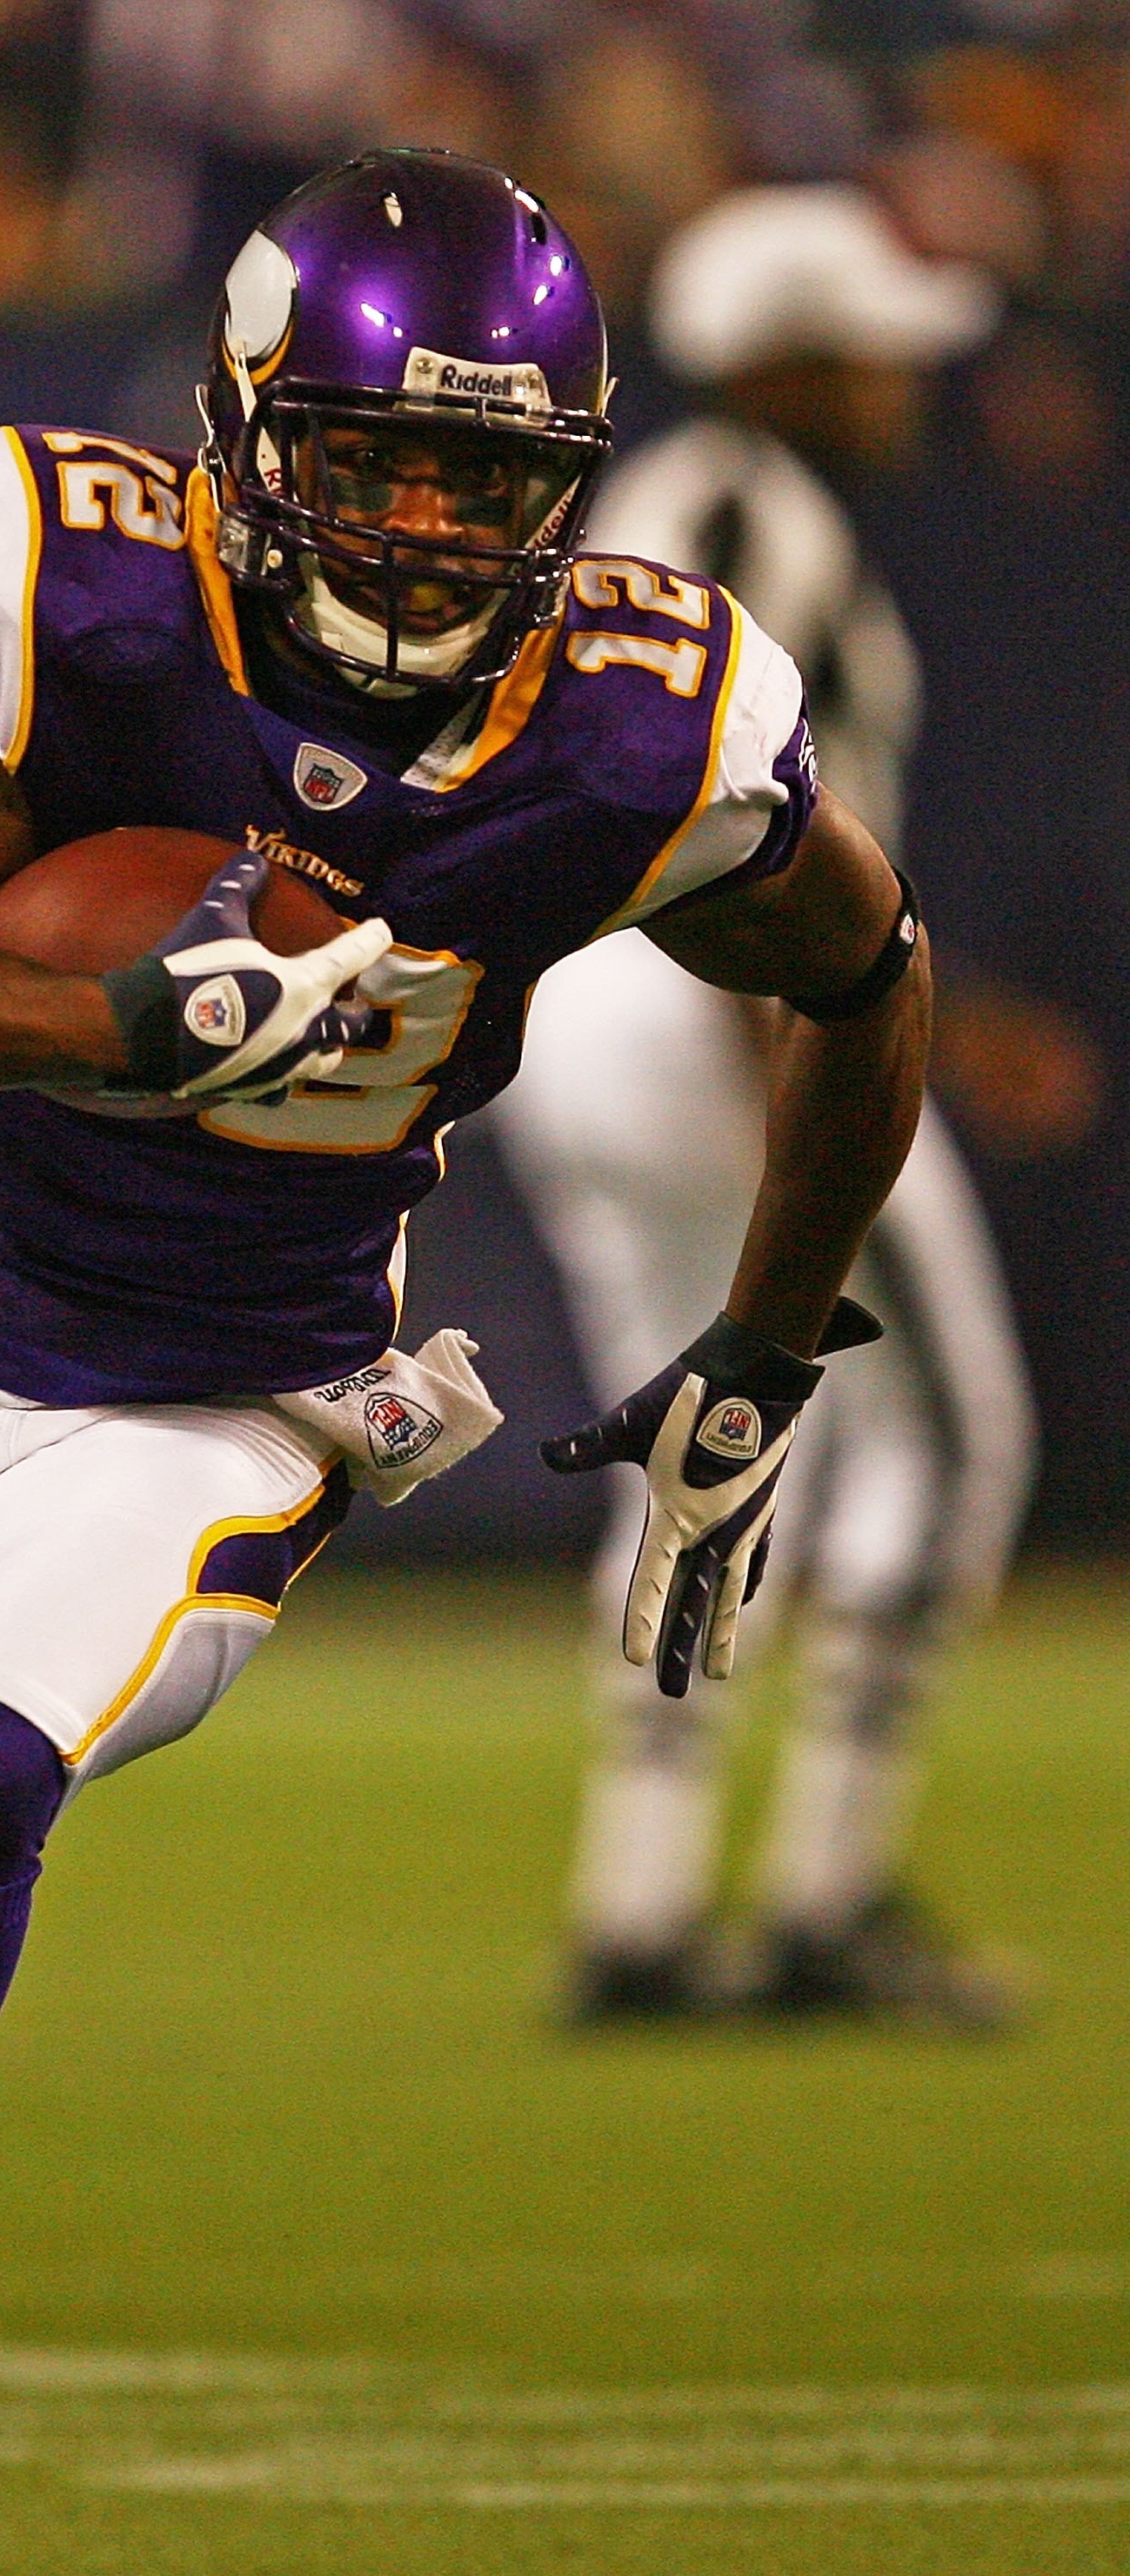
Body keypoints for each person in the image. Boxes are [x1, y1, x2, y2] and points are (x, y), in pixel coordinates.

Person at [0, 150, 933, 2576]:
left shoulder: (643, 726)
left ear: (572, 480)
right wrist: (112, 1017)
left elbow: (869, 976)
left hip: (237, 1388)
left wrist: (763, 1339)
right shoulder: (77, 592)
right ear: (241, 420)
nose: (425, 535)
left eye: (487, 482)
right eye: (375, 460)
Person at [494, 184, 1036, 2026]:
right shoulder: (743, 510)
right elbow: (718, 824)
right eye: (870, 349)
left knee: (699, 1442)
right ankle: (827, 1892)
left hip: (592, 1012)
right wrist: (820, 1078)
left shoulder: (661, 505)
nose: (902, 384)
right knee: (945, 1445)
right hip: (719, 1010)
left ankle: (641, 1906)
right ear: (791, 361)